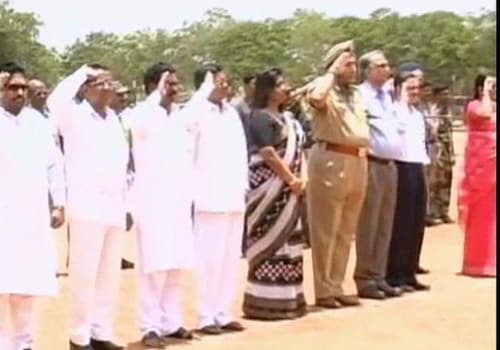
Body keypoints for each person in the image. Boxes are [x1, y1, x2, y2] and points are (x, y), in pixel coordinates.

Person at [48, 64, 130, 350]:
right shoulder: (73, 115)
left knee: (109, 276)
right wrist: (83, 71)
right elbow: (55, 100)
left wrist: (126, 205)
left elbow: (122, 164)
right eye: (100, 82)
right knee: (85, 275)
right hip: (87, 208)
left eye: (110, 82)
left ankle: (101, 333)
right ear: (87, 87)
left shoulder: (113, 119)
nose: (108, 87)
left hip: (114, 207)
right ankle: (79, 337)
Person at [0, 63, 65, 350]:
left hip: (31, 216)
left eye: (23, 87)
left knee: (26, 285)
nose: (19, 92)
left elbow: (55, 165)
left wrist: (59, 203)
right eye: (12, 87)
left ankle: (24, 342)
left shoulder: (38, 123)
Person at [130, 63, 195, 348]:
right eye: (169, 84)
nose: (175, 89)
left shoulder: (180, 117)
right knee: (153, 268)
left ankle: (172, 322)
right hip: (152, 202)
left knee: (175, 265)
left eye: (176, 84)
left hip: (178, 200)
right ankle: (150, 326)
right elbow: (139, 128)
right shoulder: (143, 114)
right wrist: (156, 94)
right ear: (154, 87)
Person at [306, 40, 369, 308]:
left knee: (346, 230)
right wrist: (330, 74)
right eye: (347, 64)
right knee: (326, 229)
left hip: (357, 160)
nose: (353, 68)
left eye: (354, 63)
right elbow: (316, 99)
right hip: (331, 158)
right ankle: (323, 289)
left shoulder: (355, 93)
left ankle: (337, 283)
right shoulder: (324, 88)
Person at [242, 68, 308, 320]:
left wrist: (302, 179)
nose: (287, 88)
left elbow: (301, 150)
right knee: (271, 239)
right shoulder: (258, 117)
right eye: (281, 85)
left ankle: (289, 299)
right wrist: (290, 179)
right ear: (268, 91)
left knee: (290, 241)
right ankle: (266, 303)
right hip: (269, 189)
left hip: (291, 188)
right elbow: (268, 153)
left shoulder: (290, 119)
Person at [188, 64, 248, 334]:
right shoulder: (197, 112)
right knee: (209, 259)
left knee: (230, 257)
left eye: (227, 80)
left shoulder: (232, 113)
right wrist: (202, 93)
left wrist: (244, 186)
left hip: (234, 194)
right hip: (208, 196)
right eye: (220, 81)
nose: (226, 85)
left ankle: (224, 312)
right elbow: (187, 126)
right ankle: (205, 316)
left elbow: (241, 152)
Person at [354, 51, 403, 300]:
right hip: (371, 162)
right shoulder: (360, 95)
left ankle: (379, 275)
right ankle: (364, 278)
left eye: (387, 64)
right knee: (369, 223)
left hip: (390, 164)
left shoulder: (388, 96)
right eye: (381, 65)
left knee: (385, 222)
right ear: (368, 70)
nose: (387, 69)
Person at [386, 72, 430, 292]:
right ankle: (394, 273)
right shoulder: (394, 112)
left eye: (417, 88)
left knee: (416, 221)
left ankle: (409, 271)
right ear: (398, 88)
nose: (415, 92)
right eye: (409, 88)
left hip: (417, 165)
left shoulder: (418, 115)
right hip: (401, 166)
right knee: (400, 222)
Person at [458, 74, 496, 277]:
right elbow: (485, 114)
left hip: (494, 166)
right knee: (482, 214)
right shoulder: (474, 106)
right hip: (481, 169)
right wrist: (486, 93)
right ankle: (478, 262)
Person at [427, 86, 455, 225]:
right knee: (433, 182)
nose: (447, 97)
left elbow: (449, 135)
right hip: (435, 149)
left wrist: (452, 153)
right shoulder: (433, 110)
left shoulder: (447, 112)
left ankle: (443, 210)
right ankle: (431, 212)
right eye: (444, 94)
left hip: (446, 150)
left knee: (446, 181)